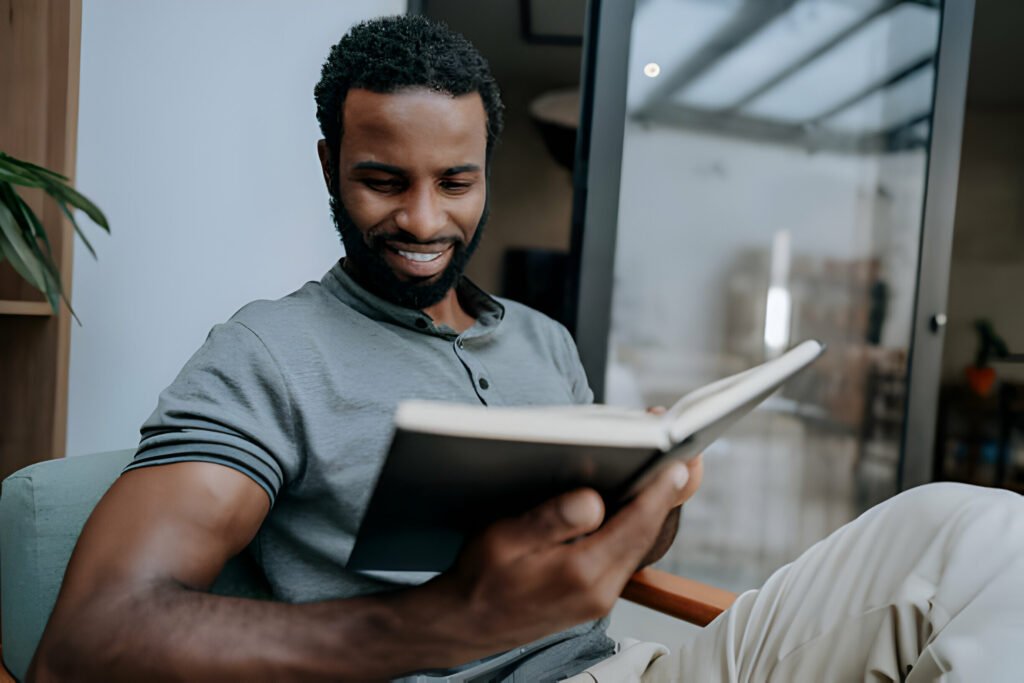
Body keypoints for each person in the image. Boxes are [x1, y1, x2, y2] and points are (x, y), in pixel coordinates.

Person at [29, 14, 1024, 683]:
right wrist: (433, 624)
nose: (423, 218)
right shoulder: (267, 352)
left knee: (975, 532)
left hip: (625, 668)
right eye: (382, 180)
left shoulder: (539, 340)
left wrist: (651, 496)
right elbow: (87, 636)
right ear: (329, 166)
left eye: (454, 182)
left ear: (484, 171)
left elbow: (597, 558)